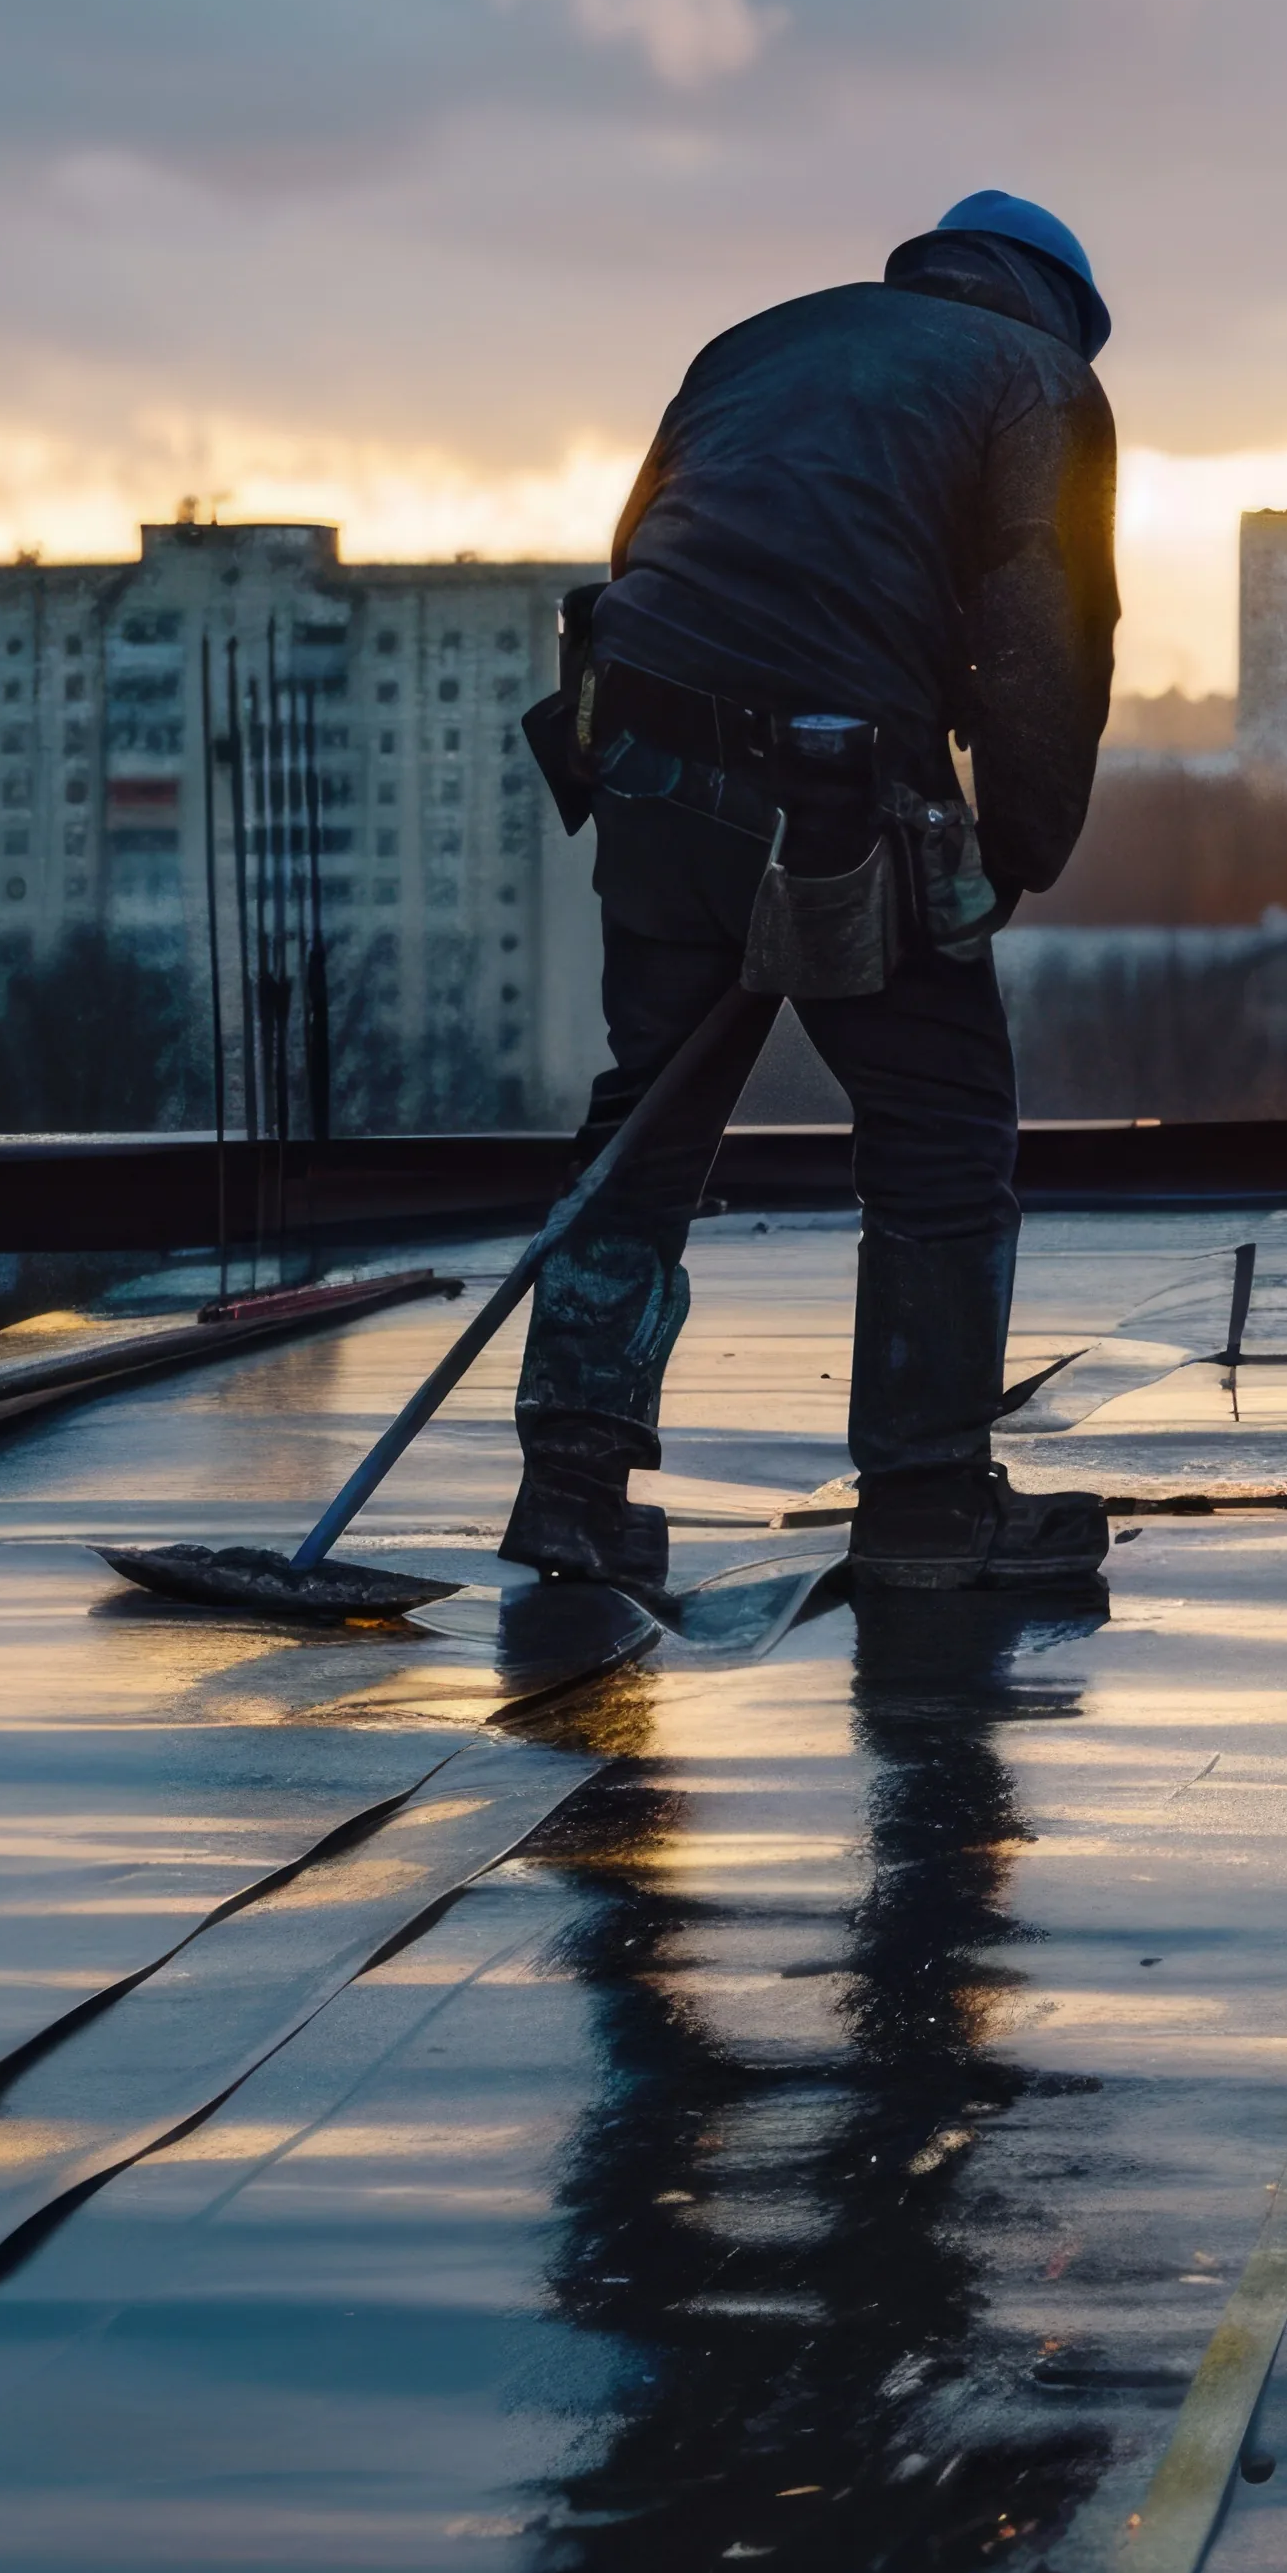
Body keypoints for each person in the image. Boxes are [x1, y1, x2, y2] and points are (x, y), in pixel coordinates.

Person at [509, 190, 1121, 1597]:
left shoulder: (759, 341)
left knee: (647, 1119)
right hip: (840, 781)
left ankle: (570, 1490)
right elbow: (1045, 639)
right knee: (939, 1120)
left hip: (644, 751)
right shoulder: (1041, 385)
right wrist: (1017, 850)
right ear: (1057, 313)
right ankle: (925, 1501)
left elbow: (640, 550)